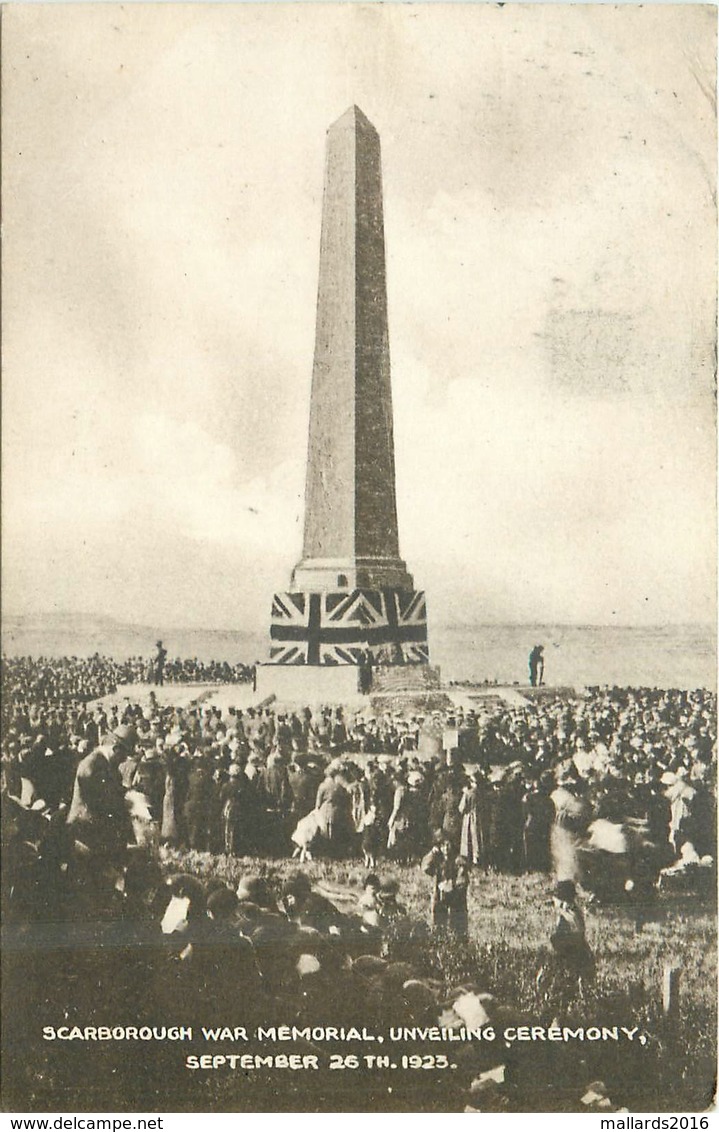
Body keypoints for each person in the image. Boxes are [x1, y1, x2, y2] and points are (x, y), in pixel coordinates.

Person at [421, 832, 470, 936]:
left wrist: (451, 884)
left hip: (456, 898)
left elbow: (463, 880)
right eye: (442, 845)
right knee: (438, 924)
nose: (446, 848)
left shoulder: (458, 861)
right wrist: (432, 853)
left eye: (448, 845)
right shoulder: (437, 859)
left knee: (458, 926)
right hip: (439, 896)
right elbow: (425, 867)